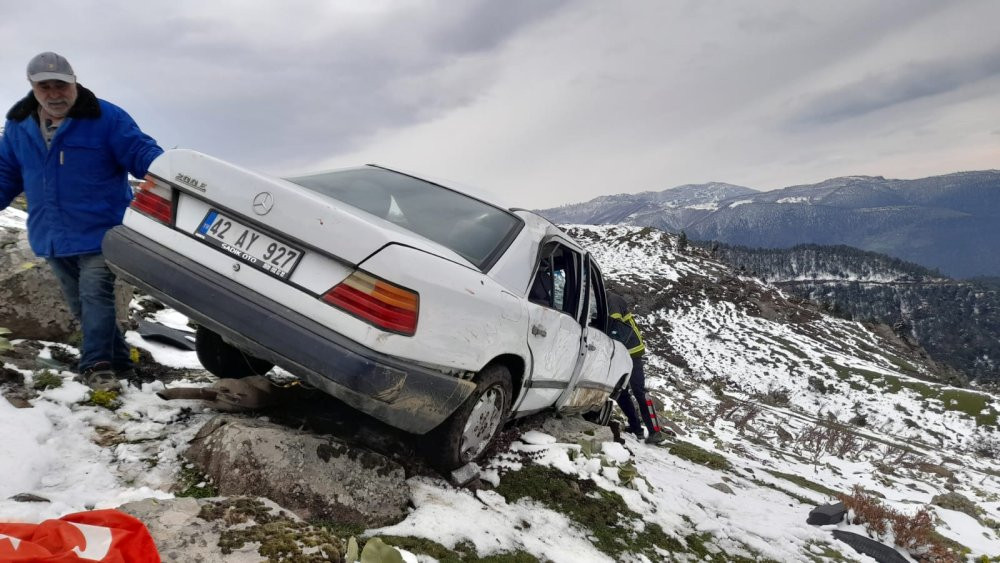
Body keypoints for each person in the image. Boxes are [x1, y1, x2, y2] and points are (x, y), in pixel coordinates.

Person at [0, 52, 163, 391]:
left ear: (74, 83)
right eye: (45, 87)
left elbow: (141, 152)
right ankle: (119, 362)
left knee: (95, 297)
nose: (54, 93)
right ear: (33, 88)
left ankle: (96, 367)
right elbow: (7, 174)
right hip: (53, 235)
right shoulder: (18, 125)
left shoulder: (106, 117)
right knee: (80, 306)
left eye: (61, 85)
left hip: (102, 231)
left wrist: (171, 174)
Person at [607, 292, 667, 444]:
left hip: (631, 351)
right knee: (619, 390)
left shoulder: (611, 299)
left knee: (639, 391)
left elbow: (613, 322)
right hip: (621, 350)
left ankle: (655, 432)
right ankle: (635, 427)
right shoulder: (606, 298)